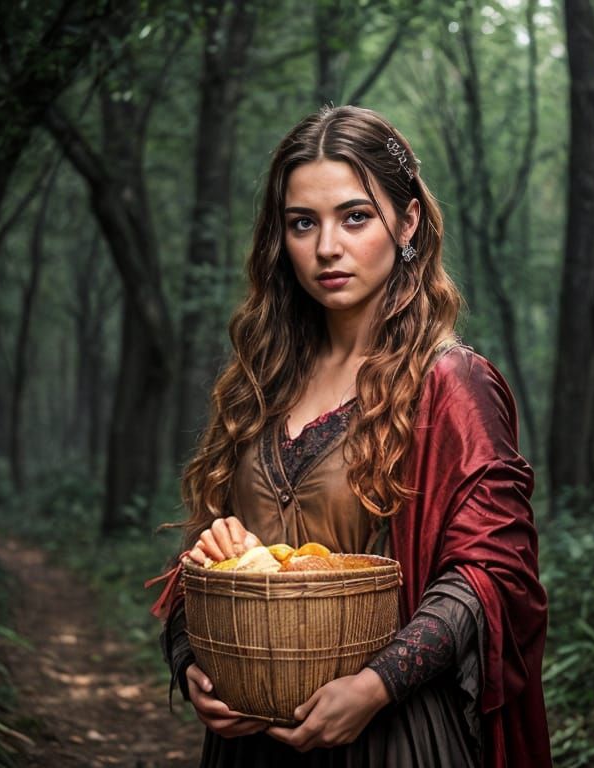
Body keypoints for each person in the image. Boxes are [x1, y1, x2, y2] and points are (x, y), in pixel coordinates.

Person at [151, 105, 552, 767]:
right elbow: (211, 558)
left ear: (408, 221)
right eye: (302, 223)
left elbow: (491, 574)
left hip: (389, 737)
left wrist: (374, 685)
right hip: (250, 744)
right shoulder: (260, 384)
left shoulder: (451, 382)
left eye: (355, 216)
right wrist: (198, 660)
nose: (326, 247)